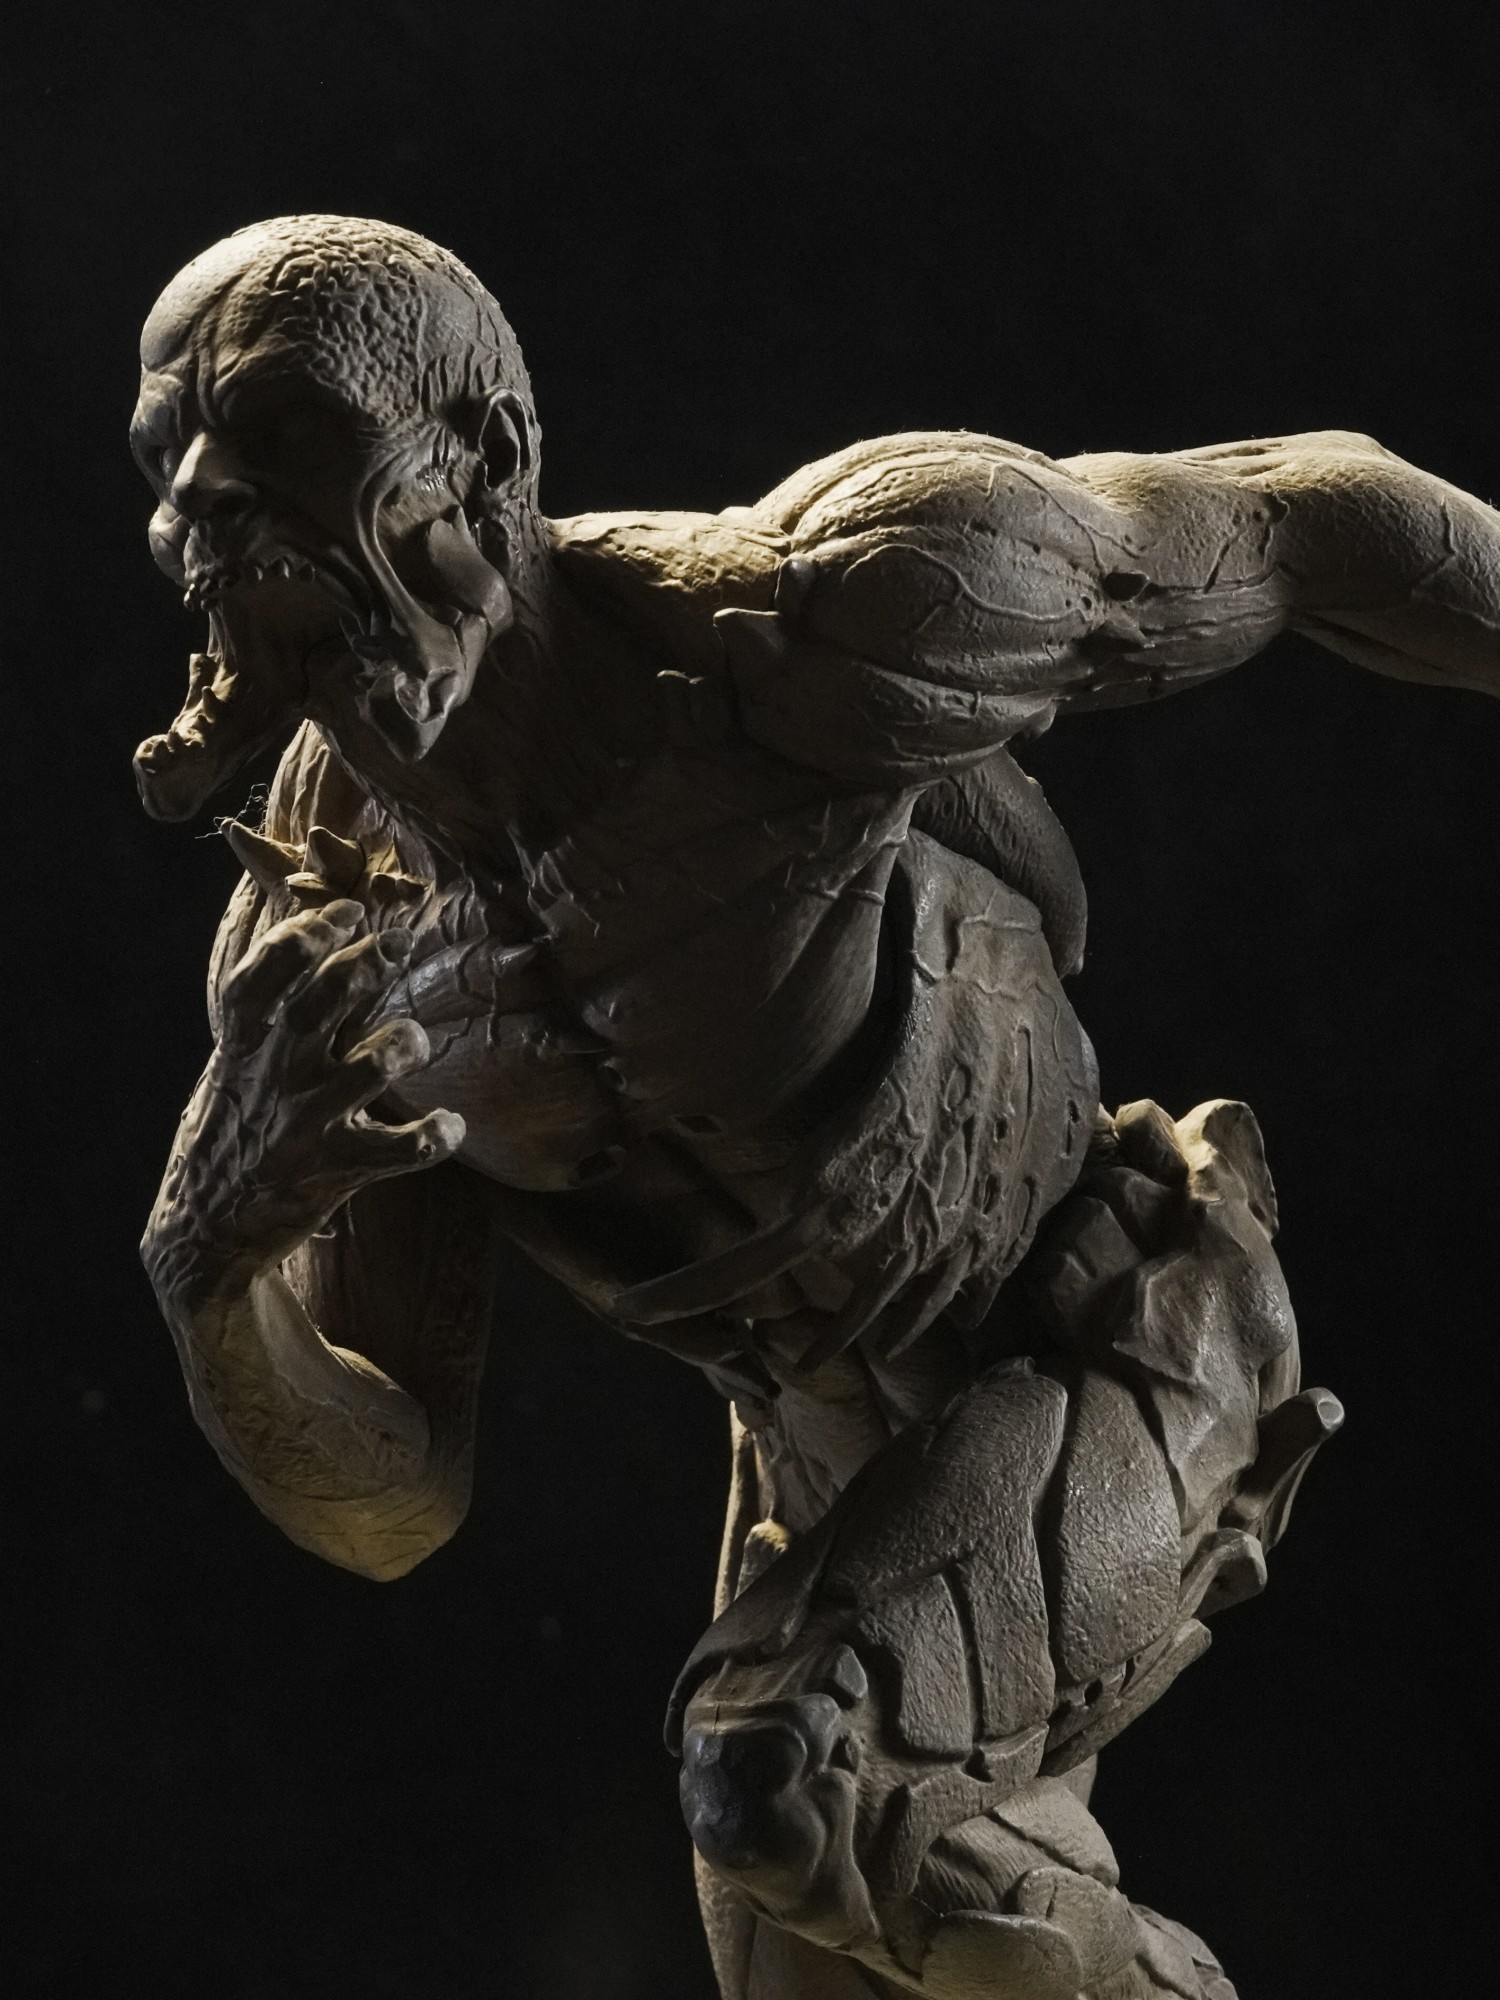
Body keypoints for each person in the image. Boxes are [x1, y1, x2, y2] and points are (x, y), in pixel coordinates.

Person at [132, 215, 1498, 1998]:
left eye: (286, 433)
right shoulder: (330, 959)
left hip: (1108, 1337)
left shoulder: (817, 620)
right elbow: (394, 1499)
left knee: (796, 1783)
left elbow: (1306, 518)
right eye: (171, 458)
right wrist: (210, 1273)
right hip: (818, 1484)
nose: (206, 502)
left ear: (484, 454)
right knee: (809, 1890)